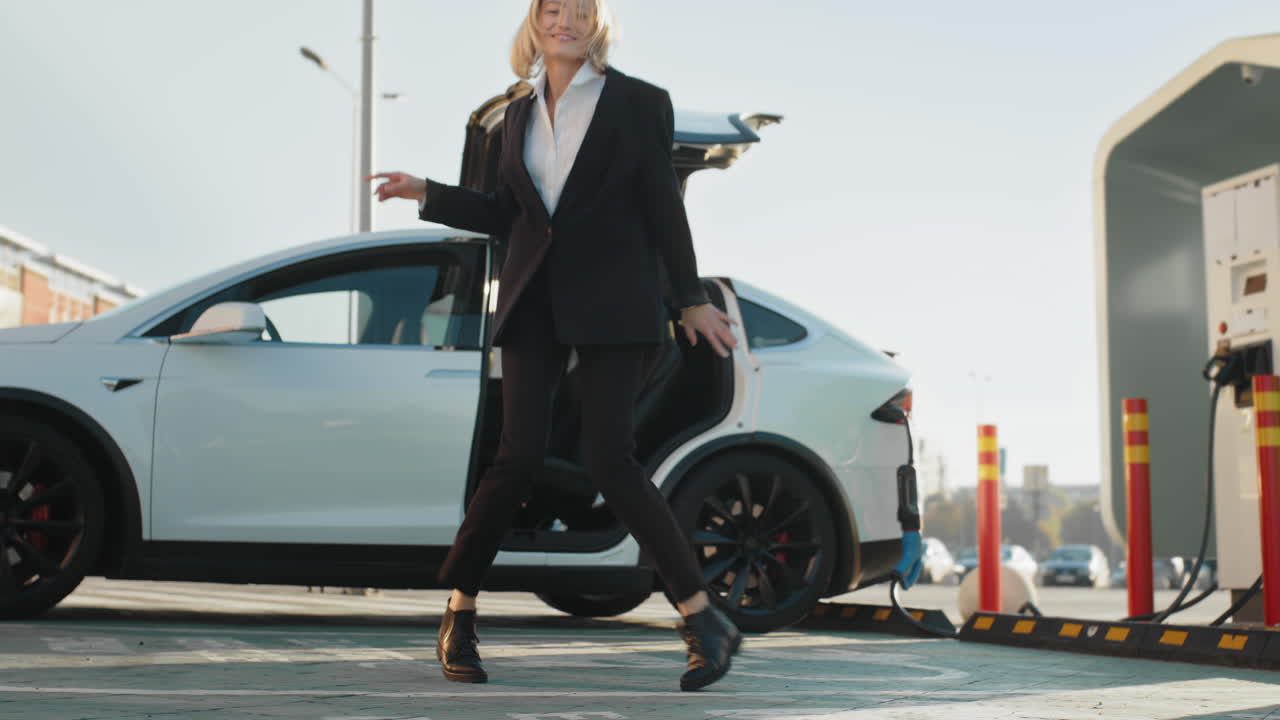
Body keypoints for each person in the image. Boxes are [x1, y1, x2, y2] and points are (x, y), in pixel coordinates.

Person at [370, 0, 742, 692]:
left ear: (596, 22)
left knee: (610, 459)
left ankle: (702, 618)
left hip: (615, 299)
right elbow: (509, 215)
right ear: (534, 21)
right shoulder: (517, 113)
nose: (563, 20)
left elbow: (664, 205)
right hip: (534, 298)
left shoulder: (638, 103)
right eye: (551, 9)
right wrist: (428, 193)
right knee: (515, 459)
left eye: (577, 10)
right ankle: (459, 614)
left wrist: (688, 297)